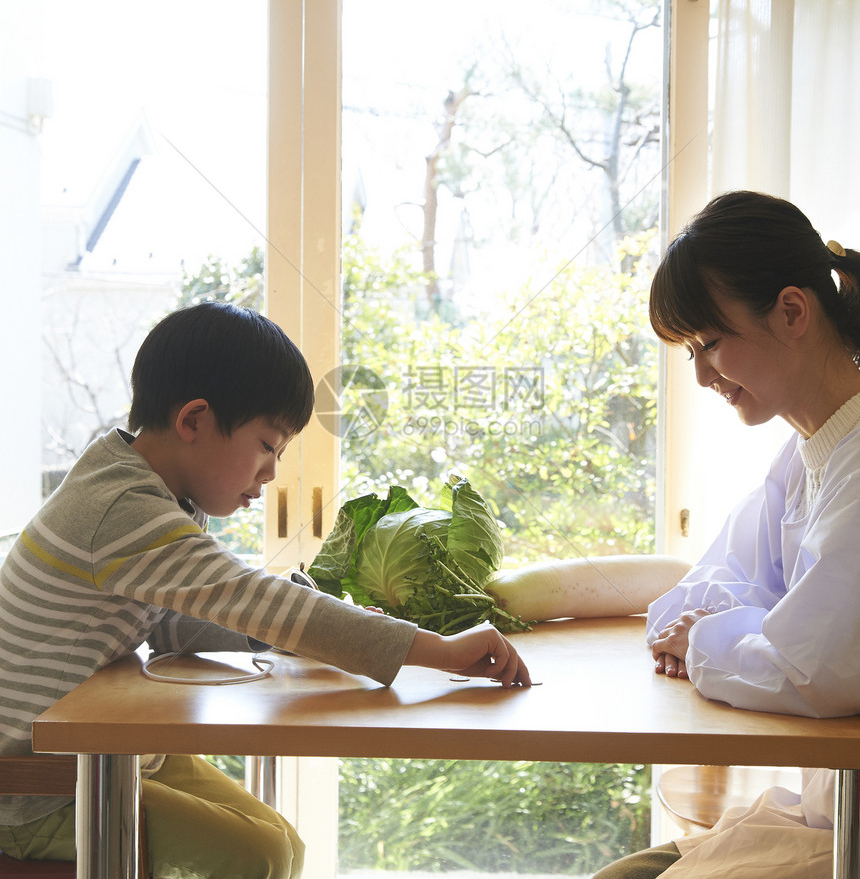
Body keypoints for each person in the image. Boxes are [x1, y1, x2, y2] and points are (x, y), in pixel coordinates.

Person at [0, 301, 530, 879]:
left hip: (94, 754)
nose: (272, 472)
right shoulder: (122, 508)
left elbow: (169, 618)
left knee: (283, 846)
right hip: (32, 788)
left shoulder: (155, 491)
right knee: (258, 855)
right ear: (194, 420)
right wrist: (438, 651)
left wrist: (295, 634)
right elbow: (252, 597)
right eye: (267, 446)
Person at [593, 190, 860, 879]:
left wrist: (712, 641)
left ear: (792, 311)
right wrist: (716, 629)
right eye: (691, 352)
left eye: (710, 344)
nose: (704, 375)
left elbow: (815, 671)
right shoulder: (810, 450)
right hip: (828, 815)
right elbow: (724, 577)